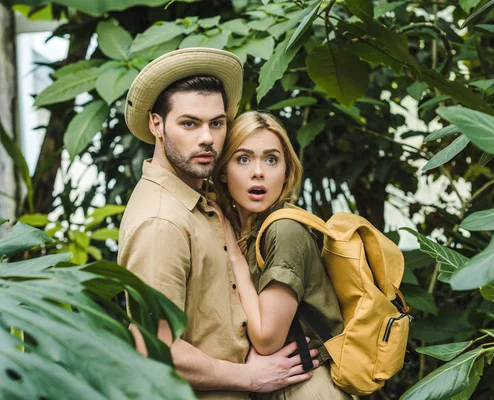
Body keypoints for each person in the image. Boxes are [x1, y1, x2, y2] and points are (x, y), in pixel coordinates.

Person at [118, 48, 318, 399]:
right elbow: (156, 349)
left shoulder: (202, 203)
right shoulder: (162, 222)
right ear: (156, 124)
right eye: (189, 123)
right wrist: (249, 377)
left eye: (217, 122)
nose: (207, 138)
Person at [212, 111, 352, 400]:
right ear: (223, 172)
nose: (258, 171)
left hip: (307, 388)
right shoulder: (250, 231)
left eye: (271, 159)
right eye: (243, 158)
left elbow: (266, 339)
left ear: (287, 172)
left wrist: (236, 259)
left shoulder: (285, 229)